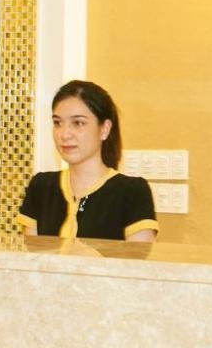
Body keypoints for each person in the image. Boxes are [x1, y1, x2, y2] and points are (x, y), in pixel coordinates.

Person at [17, 80, 158, 242]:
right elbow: (32, 254)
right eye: (58, 123)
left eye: (78, 123)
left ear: (105, 129)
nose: (64, 134)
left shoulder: (132, 192)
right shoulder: (41, 186)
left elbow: (138, 257)